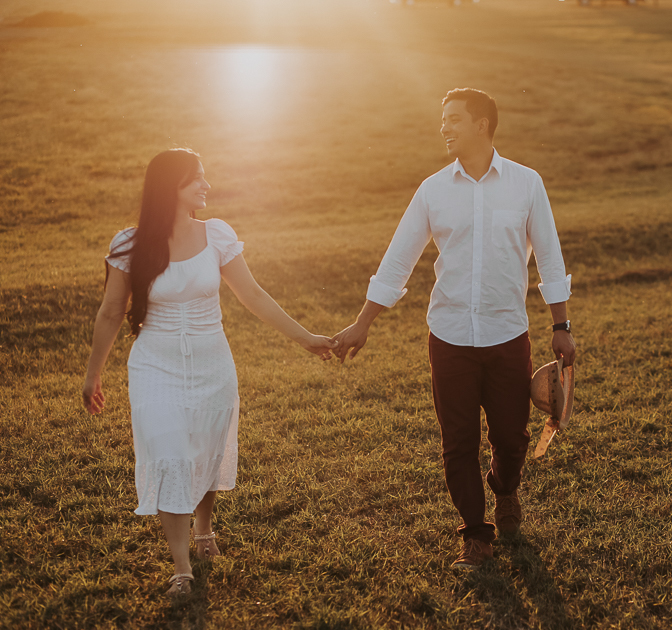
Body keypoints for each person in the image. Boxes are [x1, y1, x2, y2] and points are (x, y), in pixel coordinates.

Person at [331, 88, 576, 569]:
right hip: (449, 339)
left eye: (454, 119)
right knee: (458, 442)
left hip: (507, 335)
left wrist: (561, 325)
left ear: (482, 125)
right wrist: (363, 321)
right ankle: (475, 535)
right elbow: (398, 259)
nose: (444, 127)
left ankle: (505, 488)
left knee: (512, 438)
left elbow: (550, 257)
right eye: (443, 119)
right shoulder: (433, 190)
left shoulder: (526, 184)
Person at [82, 148, 335, 597]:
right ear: (171, 187)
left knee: (205, 449)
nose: (207, 185)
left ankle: (203, 530)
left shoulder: (216, 234)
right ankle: (182, 568)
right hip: (154, 364)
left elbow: (252, 295)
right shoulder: (128, 244)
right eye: (197, 178)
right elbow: (110, 311)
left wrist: (305, 338)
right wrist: (93, 374)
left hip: (211, 361)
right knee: (170, 453)